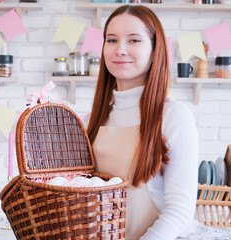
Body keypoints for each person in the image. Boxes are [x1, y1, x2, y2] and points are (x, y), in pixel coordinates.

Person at [85, 5, 199, 240]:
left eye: (134, 40)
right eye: (112, 40)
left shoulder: (173, 116)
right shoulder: (92, 119)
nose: (120, 50)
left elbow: (180, 211)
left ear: (155, 50)